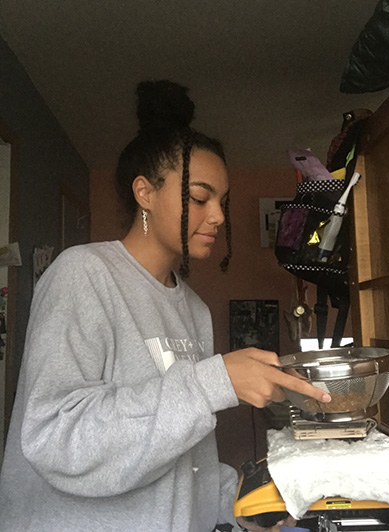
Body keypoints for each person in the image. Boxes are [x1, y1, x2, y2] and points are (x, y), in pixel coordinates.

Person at [0, 80, 331, 532]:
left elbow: (185, 457)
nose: (216, 215)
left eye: (223, 201)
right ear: (145, 193)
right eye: (199, 197)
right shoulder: (83, 274)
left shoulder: (193, 309)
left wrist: (240, 507)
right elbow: (56, 438)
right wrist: (213, 382)